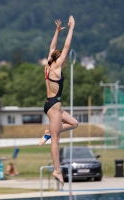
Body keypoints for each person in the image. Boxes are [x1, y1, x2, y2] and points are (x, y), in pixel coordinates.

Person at [39, 16, 78, 186]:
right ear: (60, 59)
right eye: (64, 59)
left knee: (74, 123)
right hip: (54, 106)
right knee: (56, 140)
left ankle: (49, 131)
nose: (65, 62)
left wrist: (56, 31)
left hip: (52, 105)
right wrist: (71, 28)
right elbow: (66, 46)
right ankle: (57, 170)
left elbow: (52, 47)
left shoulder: (48, 65)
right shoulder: (55, 68)